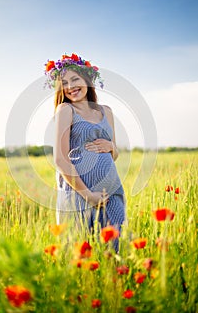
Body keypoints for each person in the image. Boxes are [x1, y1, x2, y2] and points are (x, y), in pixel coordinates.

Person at [44, 53, 126, 252]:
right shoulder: (65, 110)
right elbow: (60, 160)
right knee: (79, 253)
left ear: (87, 81)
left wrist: (112, 147)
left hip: (111, 192)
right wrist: (88, 195)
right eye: (64, 83)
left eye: (75, 79)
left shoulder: (106, 111)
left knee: (115, 250)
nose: (70, 86)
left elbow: (113, 153)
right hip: (78, 194)